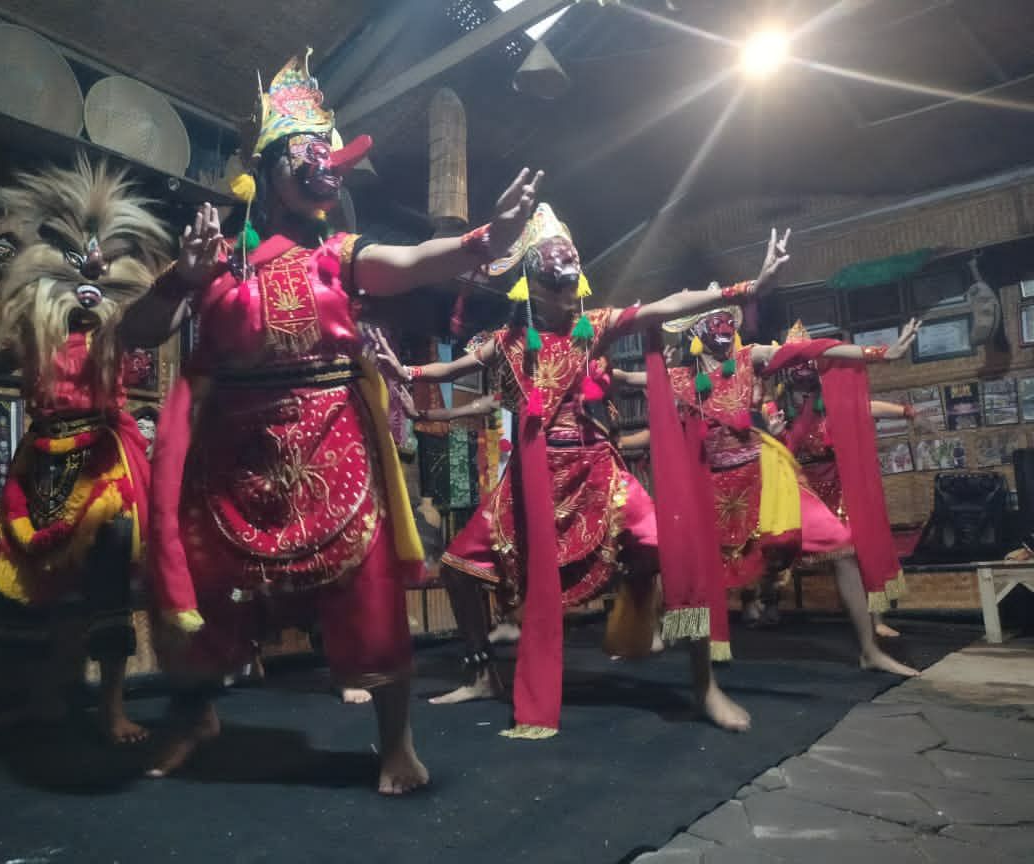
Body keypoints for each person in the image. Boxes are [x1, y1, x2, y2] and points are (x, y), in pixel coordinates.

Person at [143, 51, 544, 794]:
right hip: (236, 450)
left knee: (367, 589)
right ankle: (194, 714)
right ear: (267, 169)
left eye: (329, 157)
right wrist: (182, 278)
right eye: (309, 154)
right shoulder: (219, 260)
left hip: (334, 441)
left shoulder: (338, 256)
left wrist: (481, 241)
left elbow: (409, 261)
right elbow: (139, 333)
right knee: (207, 585)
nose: (325, 168)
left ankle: (396, 741)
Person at [376, 206, 792, 737]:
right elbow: (450, 369)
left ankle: (706, 685)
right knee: (457, 569)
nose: (573, 293)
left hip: (597, 474)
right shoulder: (504, 344)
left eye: (575, 282)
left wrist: (745, 289)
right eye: (560, 284)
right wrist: (406, 371)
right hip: (527, 482)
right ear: (534, 286)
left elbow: (665, 307)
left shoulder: (590, 328)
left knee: (681, 555)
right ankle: (481, 673)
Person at [0, 156, 182, 743]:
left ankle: (112, 707)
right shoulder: (37, 334)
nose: (85, 287)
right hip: (43, 464)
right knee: (20, 589)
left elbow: (155, 323)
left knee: (107, 586)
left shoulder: (117, 331)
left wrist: (183, 282)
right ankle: (43, 697)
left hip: (105, 468)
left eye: (97, 276)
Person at [651, 300, 918, 675]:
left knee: (842, 548)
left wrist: (877, 353)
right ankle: (661, 624)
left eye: (730, 320)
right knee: (677, 555)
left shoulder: (749, 358)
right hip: (714, 487)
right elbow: (625, 379)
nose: (725, 327)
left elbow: (809, 350)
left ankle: (869, 650)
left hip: (767, 476)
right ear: (695, 331)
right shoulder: (677, 378)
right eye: (716, 320)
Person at [762, 321, 921, 637]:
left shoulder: (831, 399)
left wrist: (908, 412)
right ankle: (768, 605)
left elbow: (866, 407)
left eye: (808, 363)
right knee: (777, 548)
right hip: (801, 488)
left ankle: (875, 620)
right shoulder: (773, 407)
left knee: (860, 548)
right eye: (796, 363)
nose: (803, 370)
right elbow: (775, 455)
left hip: (838, 484)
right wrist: (776, 435)